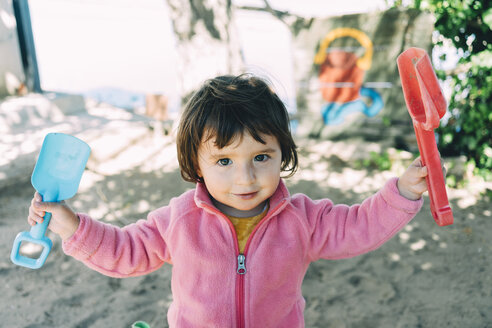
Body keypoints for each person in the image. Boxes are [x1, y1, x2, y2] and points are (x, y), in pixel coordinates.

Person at [28, 74, 432, 327]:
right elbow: (127, 250)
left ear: (282, 154)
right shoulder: (179, 220)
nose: (245, 177)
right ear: (197, 164)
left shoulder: (302, 219)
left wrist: (403, 192)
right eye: (223, 160)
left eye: (261, 157)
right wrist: (72, 226)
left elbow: (358, 226)